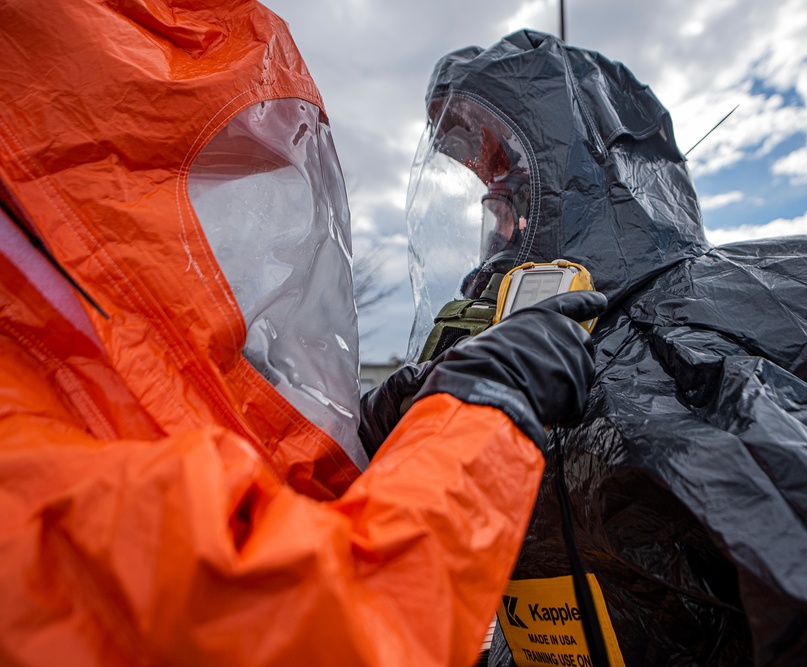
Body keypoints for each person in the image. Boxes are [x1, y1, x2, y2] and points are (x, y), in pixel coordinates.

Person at [0, 3, 604, 666]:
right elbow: (314, 620)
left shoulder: (54, 304)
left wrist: (372, 427)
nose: (502, 224)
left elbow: (186, 451)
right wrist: (484, 410)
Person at [405, 30, 807, 666]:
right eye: (490, 203)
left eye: (512, 194)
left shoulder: (690, 339)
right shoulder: (517, 357)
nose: (498, 227)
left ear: (575, 177)